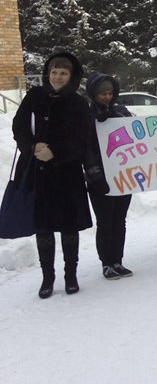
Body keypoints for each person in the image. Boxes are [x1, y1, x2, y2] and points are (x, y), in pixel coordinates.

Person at [12, 52, 93, 298]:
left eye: (63, 73)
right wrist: (32, 147)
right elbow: (19, 126)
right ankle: (48, 277)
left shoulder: (78, 103)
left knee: (69, 227)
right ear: (48, 73)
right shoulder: (34, 97)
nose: (57, 77)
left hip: (66, 173)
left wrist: (55, 152)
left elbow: (83, 139)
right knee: (44, 228)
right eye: (54, 72)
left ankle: (71, 275)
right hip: (38, 171)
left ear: (72, 76)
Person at [83, 72, 135, 280]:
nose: (106, 97)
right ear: (93, 94)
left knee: (119, 220)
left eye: (109, 93)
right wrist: (95, 176)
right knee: (105, 221)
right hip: (100, 180)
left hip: (123, 176)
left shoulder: (121, 111)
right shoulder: (86, 116)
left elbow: (135, 136)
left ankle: (118, 261)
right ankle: (106, 263)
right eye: (102, 94)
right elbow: (85, 149)